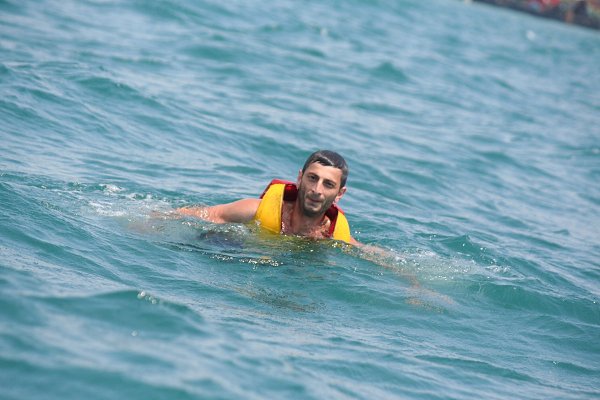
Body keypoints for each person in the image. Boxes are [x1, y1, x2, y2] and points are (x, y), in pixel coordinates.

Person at [176, 150, 360, 245]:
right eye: (312, 178)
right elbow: (200, 214)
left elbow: (370, 254)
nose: (317, 189)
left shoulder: (335, 236)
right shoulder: (253, 209)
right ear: (299, 178)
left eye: (328, 184)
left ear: (339, 194)